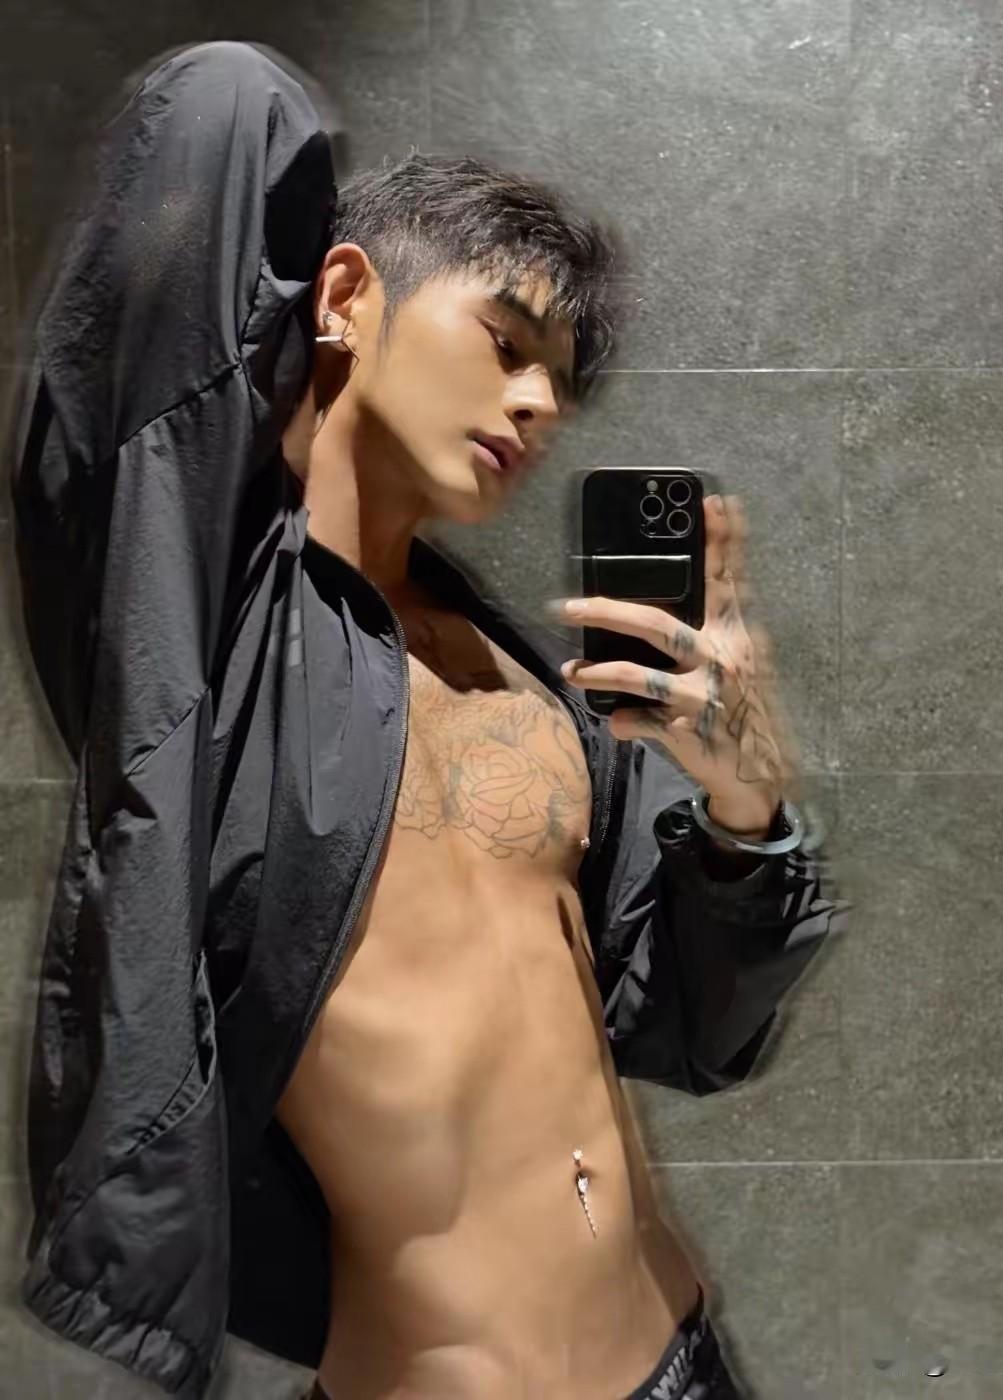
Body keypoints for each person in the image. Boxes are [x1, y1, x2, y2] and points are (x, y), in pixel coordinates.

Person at [6, 40, 849, 1400]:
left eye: (558, 384)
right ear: (347, 295)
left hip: (682, 1358)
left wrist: (748, 808)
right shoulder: (210, 643)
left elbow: (687, 1022)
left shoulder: (532, 687)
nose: (539, 404)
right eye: (506, 344)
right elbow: (217, 118)